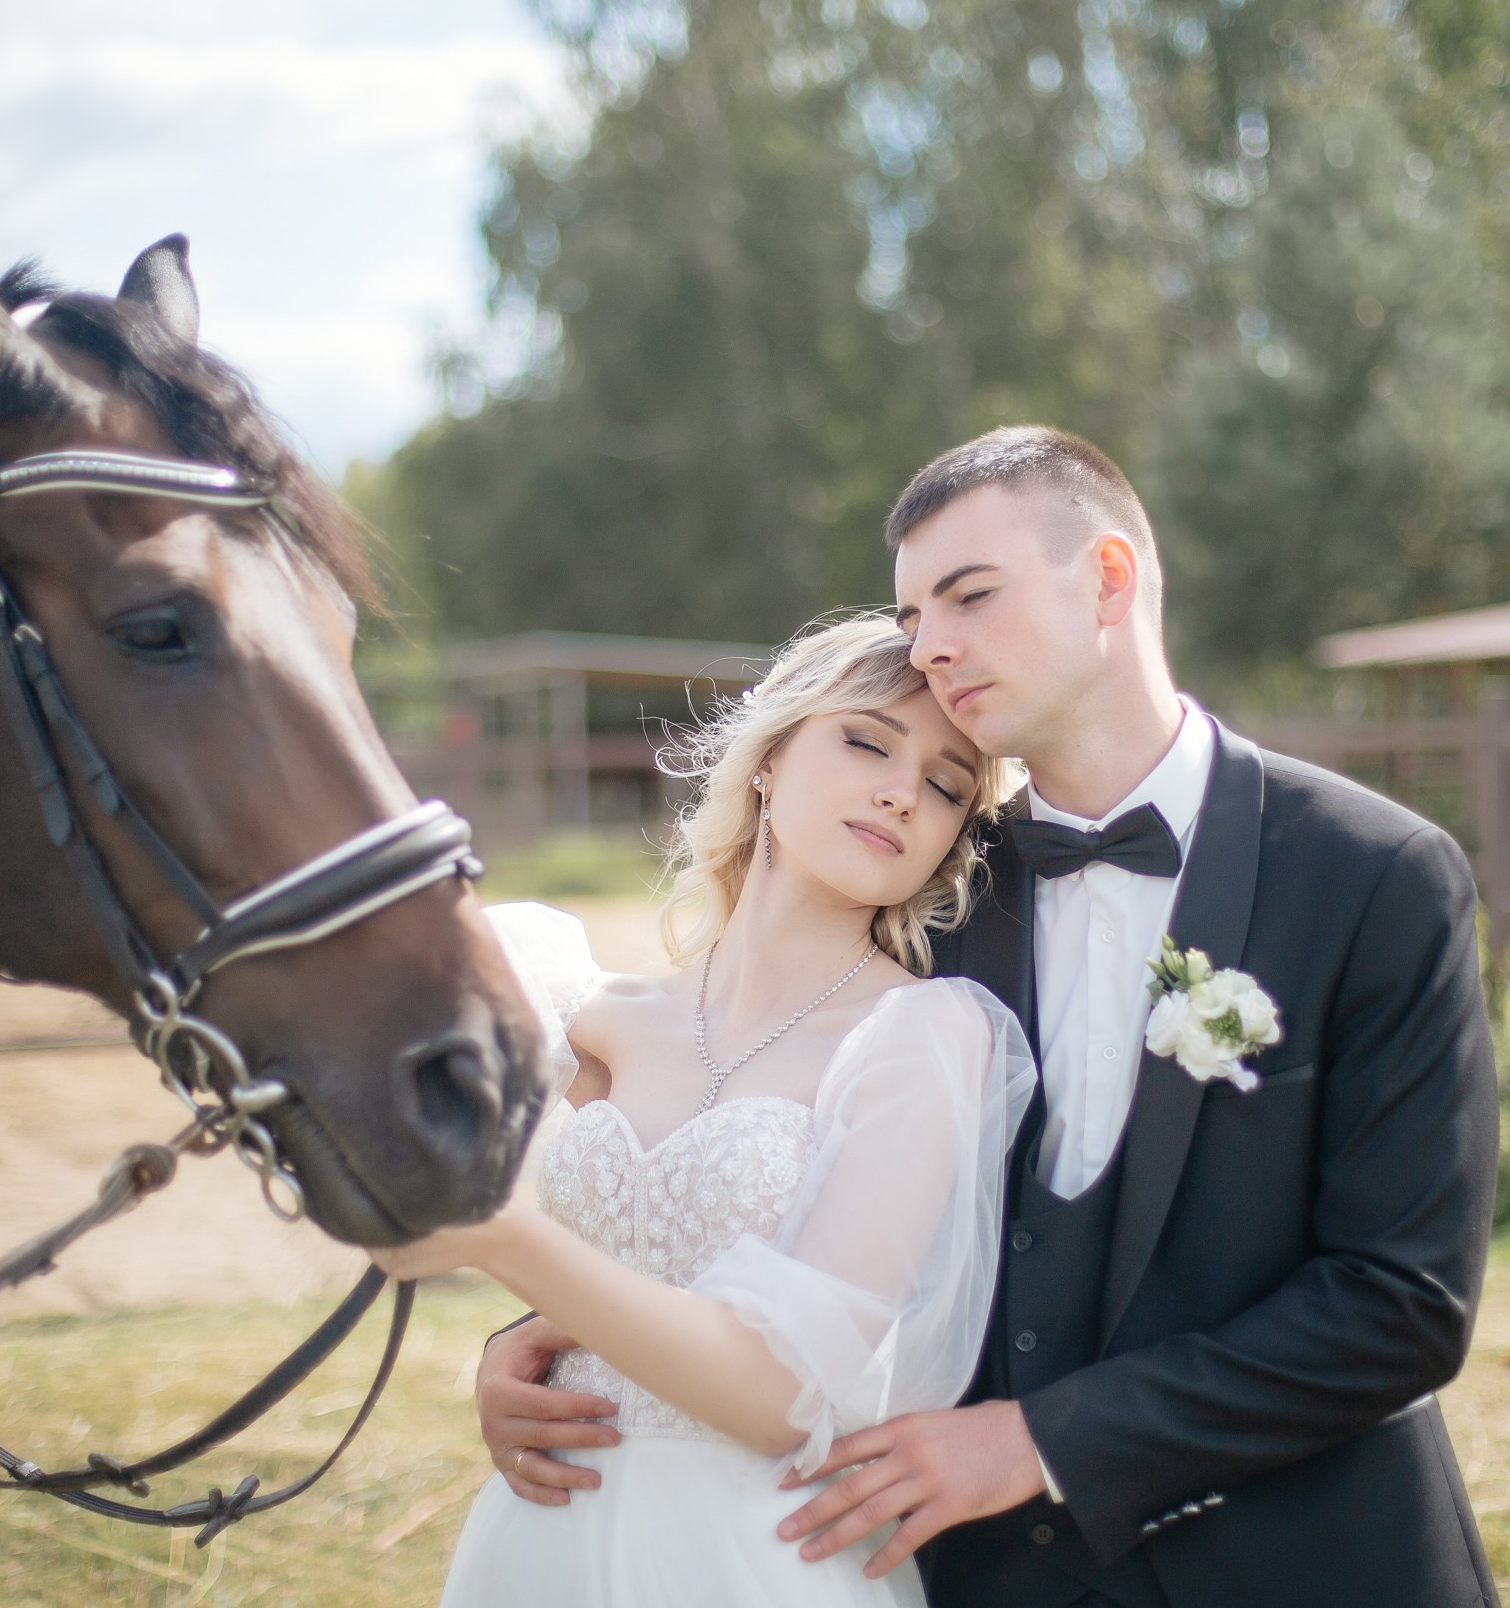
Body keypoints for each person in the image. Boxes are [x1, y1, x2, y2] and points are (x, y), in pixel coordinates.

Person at [476, 426, 1502, 1608]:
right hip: (988, 1579)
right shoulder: (921, 899)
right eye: (914, 618)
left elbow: (1403, 1301)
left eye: (968, 596)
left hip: (1299, 1560)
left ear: (1108, 579)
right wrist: (534, 1343)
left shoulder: (1373, 875)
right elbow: (764, 1182)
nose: (935, 646)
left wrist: (1040, 1440)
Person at [370, 614, 1035, 1606]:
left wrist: (503, 1239)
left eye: (944, 785)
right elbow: (397, 1233)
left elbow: (780, 1393)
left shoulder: (922, 1038)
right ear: (769, 756)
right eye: (864, 739)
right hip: (541, 1540)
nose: (902, 790)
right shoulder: (595, 1010)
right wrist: (514, 1345)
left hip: (755, 1557)